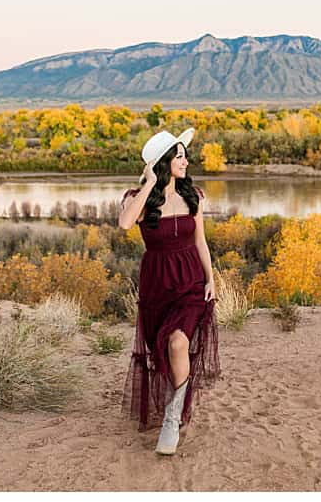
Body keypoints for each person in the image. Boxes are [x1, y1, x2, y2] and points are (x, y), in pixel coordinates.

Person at [118, 127, 220, 455]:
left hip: (190, 282)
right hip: (156, 285)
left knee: (178, 342)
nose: (185, 161)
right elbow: (123, 224)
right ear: (163, 162)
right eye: (178, 156)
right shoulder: (139, 199)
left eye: (184, 155)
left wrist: (210, 279)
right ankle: (175, 409)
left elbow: (200, 241)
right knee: (160, 350)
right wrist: (149, 182)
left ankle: (172, 419)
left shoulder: (194, 196)